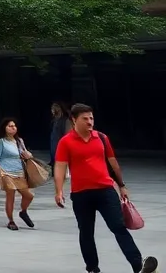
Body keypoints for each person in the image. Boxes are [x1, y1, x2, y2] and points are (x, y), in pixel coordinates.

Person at [54, 103, 157, 273]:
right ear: (74, 120)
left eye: (91, 118)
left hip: (106, 190)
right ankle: (93, 267)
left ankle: (138, 265)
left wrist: (122, 185)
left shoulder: (101, 138)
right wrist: (58, 190)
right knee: (86, 233)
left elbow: (113, 163)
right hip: (81, 194)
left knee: (118, 226)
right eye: (85, 118)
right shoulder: (65, 142)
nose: (90, 122)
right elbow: (60, 166)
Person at [0, 117, 36, 230]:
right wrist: (0, 171)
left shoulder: (19, 141)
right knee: (10, 196)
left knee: (29, 196)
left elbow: (24, 153)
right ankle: (11, 221)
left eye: (14, 126)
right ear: (5, 128)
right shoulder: (2, 142)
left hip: (19, 172)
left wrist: (28, 155)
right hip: (6, 173)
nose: (13, 128)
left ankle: (23, 211)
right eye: (10, 126)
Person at [50, 102, 72, 172]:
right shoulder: (54, 120)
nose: (53, 110)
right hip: (54, 142)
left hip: (60, 142)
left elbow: (68, 133)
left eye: (55, 107)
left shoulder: (65, 120)